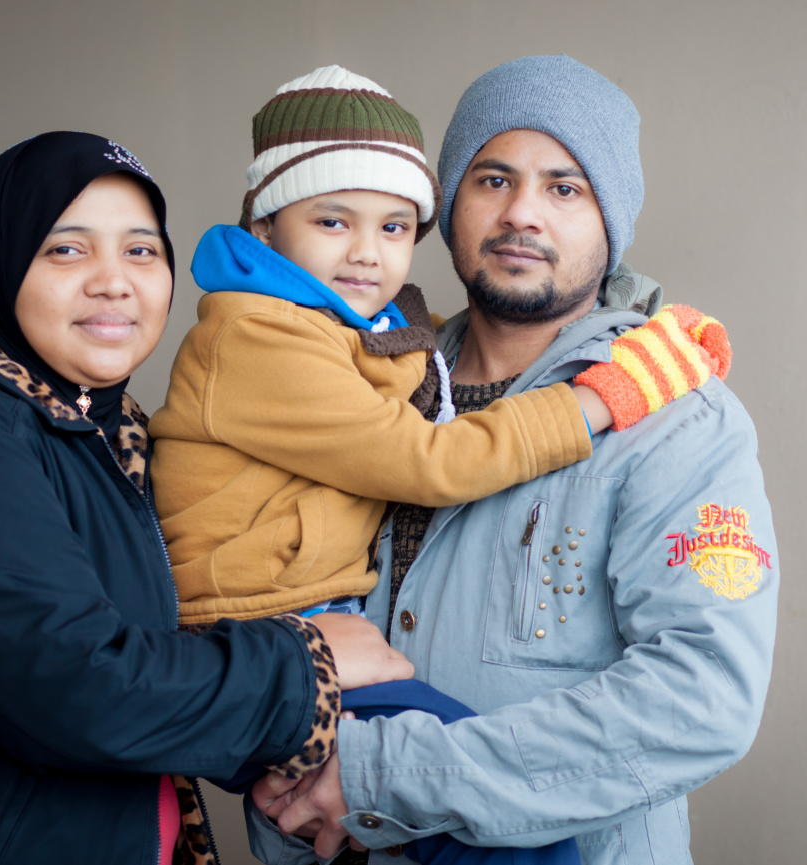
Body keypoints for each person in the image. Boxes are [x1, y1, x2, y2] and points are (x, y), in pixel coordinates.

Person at [149, 65, 730, 865]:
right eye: (493, 178)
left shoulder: (670, 411)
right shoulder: (384, 374)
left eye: (566, 188)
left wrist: (385, 773)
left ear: (611, 220)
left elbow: (703, 700)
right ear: (451, 205)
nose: (522, 211)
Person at [0, 131, 415, 865]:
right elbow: (84, 689)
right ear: (3, 265)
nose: (113, 281)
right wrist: (306, 657)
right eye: (67, 250)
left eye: (140, 250)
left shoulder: (106, 439)